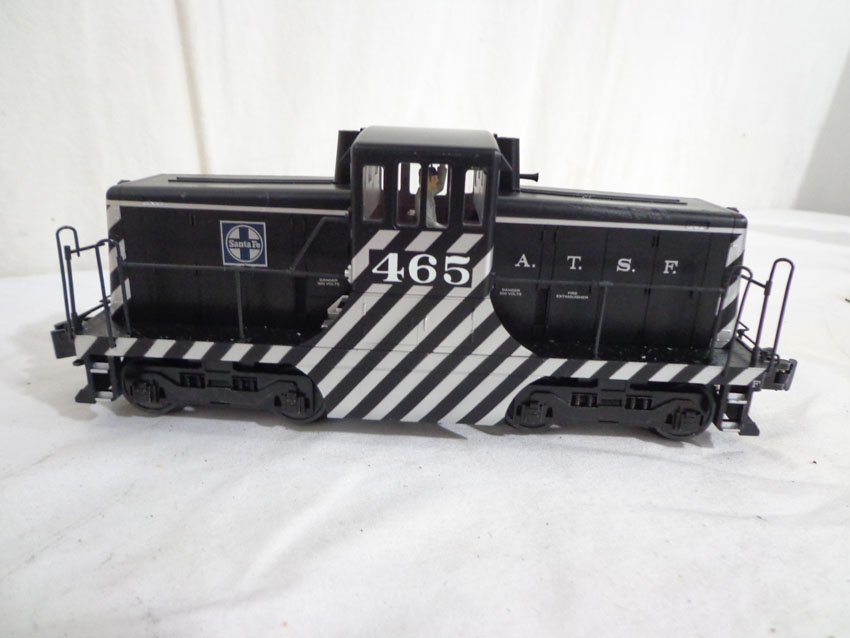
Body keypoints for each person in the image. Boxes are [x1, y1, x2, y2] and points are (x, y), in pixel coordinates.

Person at [415, 164, 448, 228]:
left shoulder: (428, 192)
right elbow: (428, 222)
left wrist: (442, 166)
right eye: (434, 178)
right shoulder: (421, 197)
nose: (437, 180)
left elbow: (440, 186)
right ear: (427, 180)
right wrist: (445, 228)